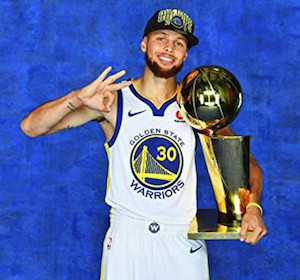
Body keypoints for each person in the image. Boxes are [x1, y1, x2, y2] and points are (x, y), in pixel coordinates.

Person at [20, 8, 267, 280]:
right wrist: (77, 98)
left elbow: (245, 164)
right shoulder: (113, 101)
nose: (169, 48)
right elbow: (31, 127)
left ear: (185, 55)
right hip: (127, 239)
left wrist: (253, 207)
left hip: (181, 240)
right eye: (161, 38)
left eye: (179, 43)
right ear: (144, 43)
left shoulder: (195, 106)